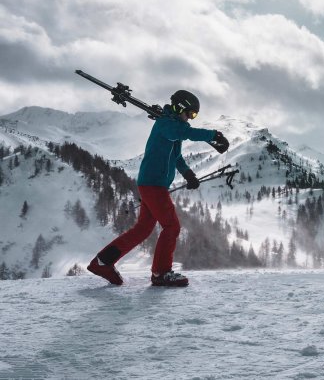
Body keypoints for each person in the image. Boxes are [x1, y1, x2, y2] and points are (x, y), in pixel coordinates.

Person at [87, 89, 228, 287]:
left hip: (152, 184)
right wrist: (213, 135)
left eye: (194, 115)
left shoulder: (172, 127)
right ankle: (161, 273)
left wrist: (188, 174)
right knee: (171, 226)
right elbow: (184, 132)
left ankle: (102, 262)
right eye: (190, 113)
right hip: (153, 185)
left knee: (143, 229)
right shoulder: (166, 125)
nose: (191, 118)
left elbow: (176, 156)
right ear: (180, 107)